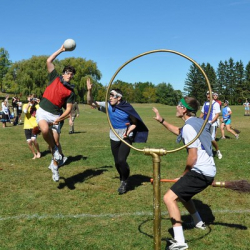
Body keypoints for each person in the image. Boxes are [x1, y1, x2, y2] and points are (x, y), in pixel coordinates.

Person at [152, 97, 216, 250]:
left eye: (179, 105)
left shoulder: (189, 127)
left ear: (185, 109)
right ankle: (198, 222)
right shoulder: (198, 123)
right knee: (183, 196)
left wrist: (184, 174)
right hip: (208, 170)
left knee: (169, 198)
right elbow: (178, 131)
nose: (177, 106)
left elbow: (192, 156)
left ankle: (180, 242)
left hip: (200, 171)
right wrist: (162, 120)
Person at [87, 78, 148, 194]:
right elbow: (90, 102)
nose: (110, 97)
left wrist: (128, 131)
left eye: (113, 95)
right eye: (109, 95)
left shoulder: (127, 108)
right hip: (114, 135)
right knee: (117, 162)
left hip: (126, 135)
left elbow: (135, 123)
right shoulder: (108, 106)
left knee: (121, 160)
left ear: (119, 98)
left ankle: (124, 181)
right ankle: (123, 178)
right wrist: (89, 91)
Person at [36, 44, 76, 182]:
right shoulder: (54, 77)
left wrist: (60, 118)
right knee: (44, 130)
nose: (69, 76)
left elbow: (69, 109)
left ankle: (55, 167)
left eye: (72, 74)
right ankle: (55, 151)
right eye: (68, 73)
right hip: (43, 111)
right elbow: (49, 61)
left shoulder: (71, 91)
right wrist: (61, 50)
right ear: (63, 73)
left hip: (56, 115)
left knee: (57, 142)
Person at [200, 91, 222, 159]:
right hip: (205, 123)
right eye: (207, 94)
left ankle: (218, 151)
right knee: (203, 138)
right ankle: (207, 152)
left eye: (209, 94)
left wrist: (211, 122)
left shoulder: (216, 104)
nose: (208, 96)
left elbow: (217, 114)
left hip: (212, 124)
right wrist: (198, 119)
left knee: (212, 139)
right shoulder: (205, 103)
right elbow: (202, 113)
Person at [23, 95, 41, 159]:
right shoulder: (25, 105)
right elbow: (25, 111)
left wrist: (39, 103)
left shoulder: (37, 106)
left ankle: (38, 151)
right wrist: (29, 103)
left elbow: (42, 112)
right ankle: (34, 154)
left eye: (32, 98)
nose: (31, 99)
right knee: (29, 142)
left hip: (35, 126)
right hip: (27, 126)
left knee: (33, 139)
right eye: (30, 98)